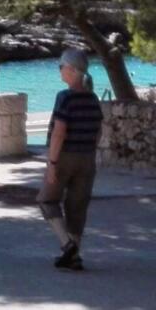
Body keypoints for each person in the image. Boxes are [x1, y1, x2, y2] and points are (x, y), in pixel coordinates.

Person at [39, 49, 103, 271]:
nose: (59, 71)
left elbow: (59, 132)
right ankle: (74, 257)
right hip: (87, 158)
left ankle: (67, 246)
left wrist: (52, 163)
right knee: (77, 207)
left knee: (47, 200)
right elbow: (98, 132)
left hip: (65, 156)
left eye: (61, 67)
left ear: (72, 70)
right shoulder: (93, 98)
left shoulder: (65, 97)